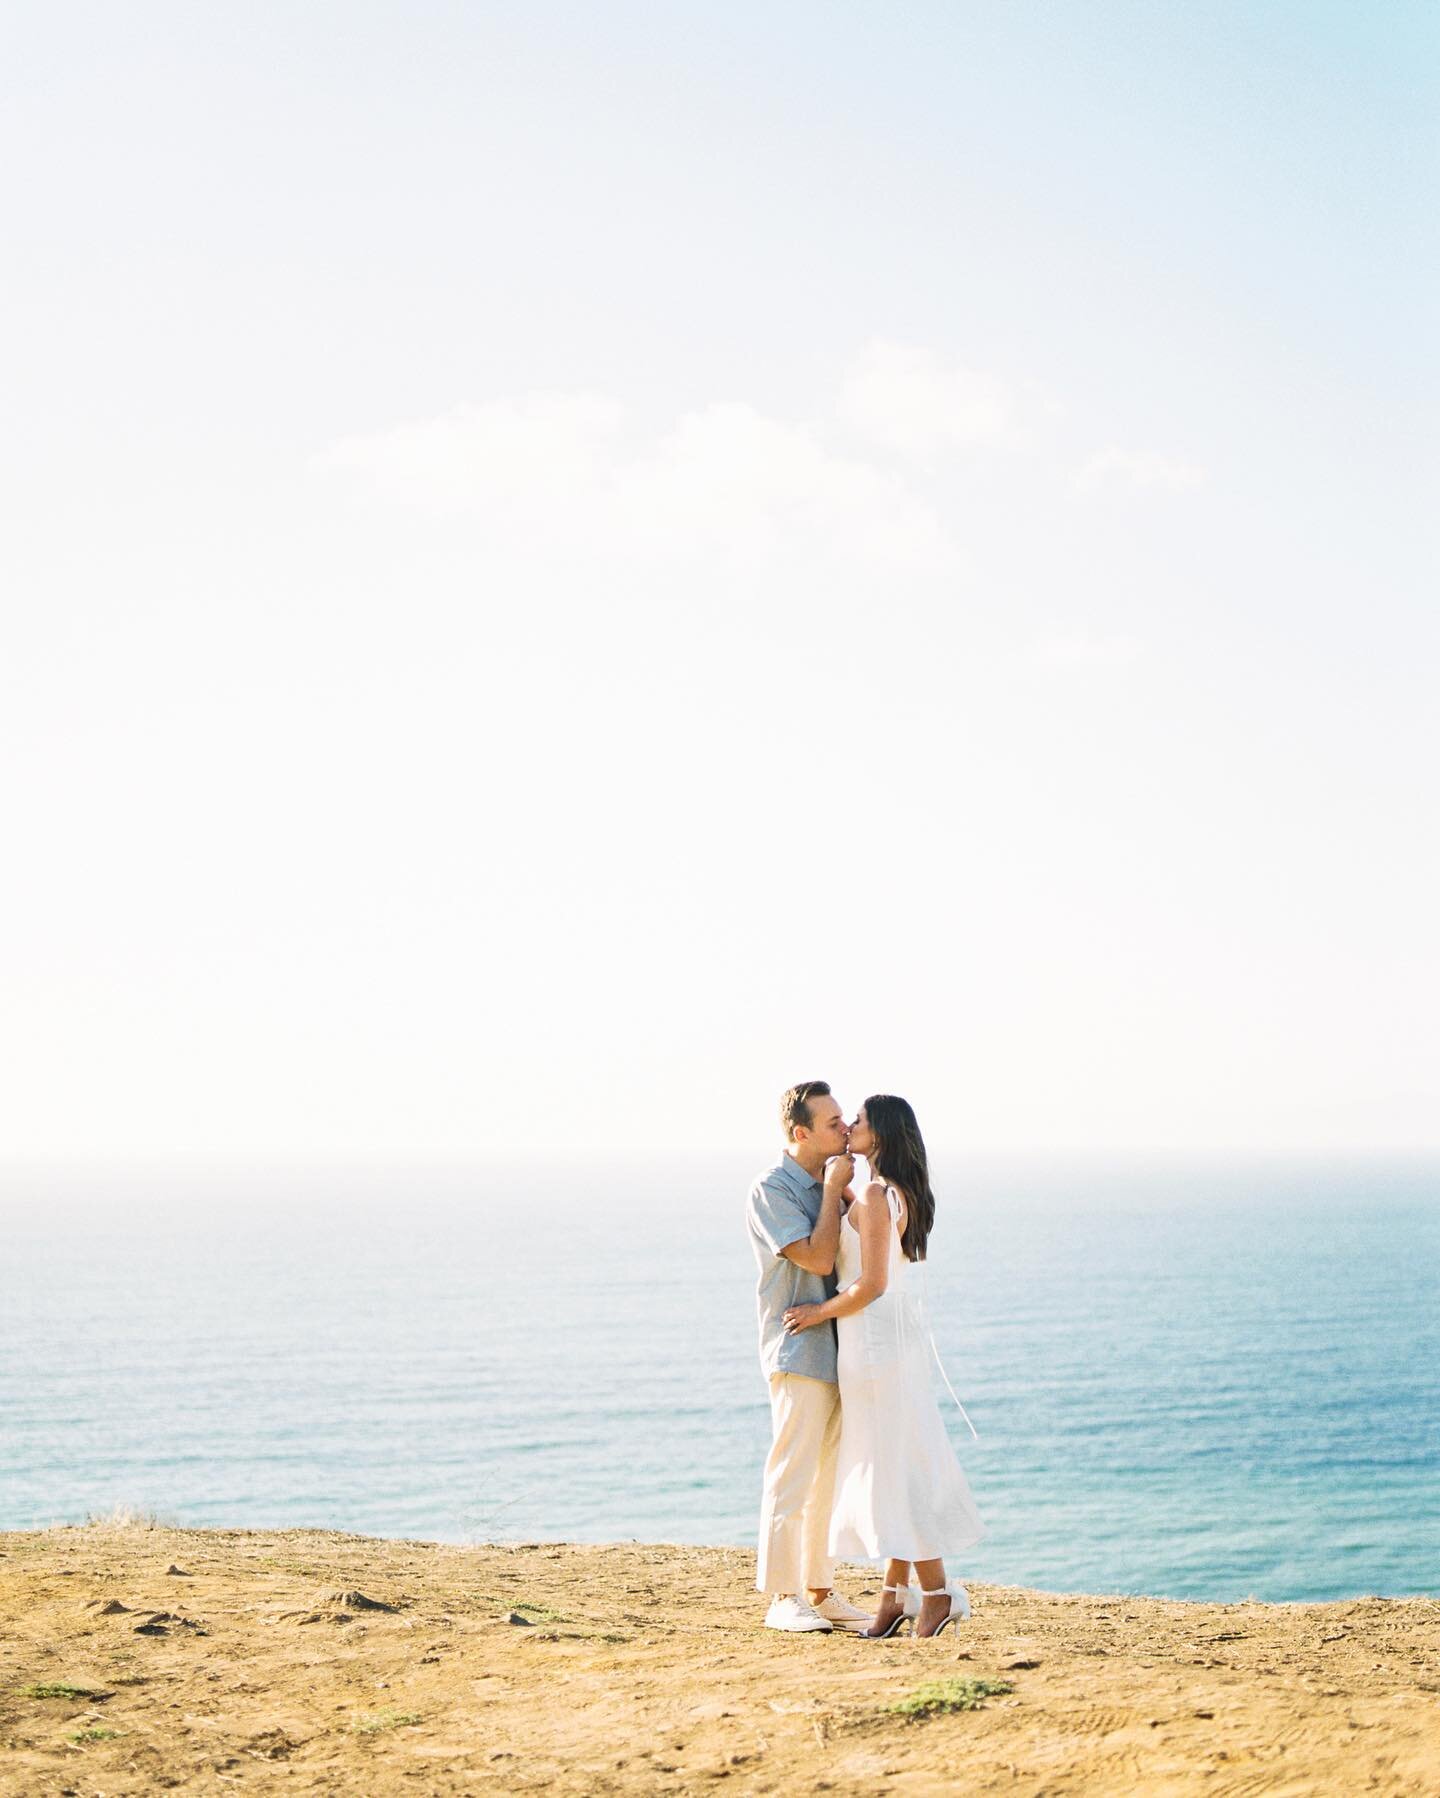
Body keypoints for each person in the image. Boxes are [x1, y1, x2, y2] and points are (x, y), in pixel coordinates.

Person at [783, 1094, 983, 1638]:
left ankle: (937, 1595)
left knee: (893, 1467)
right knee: (896, 1461)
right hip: (889, 1340)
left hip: (872, 1342)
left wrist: (816, 1310)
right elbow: (864, 1238)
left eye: (861, 1121)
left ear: (884, 1134)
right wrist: (837, 1185)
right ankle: (894, 1597)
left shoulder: (875, 1194)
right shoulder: (886, 1193)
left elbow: (870, 1283)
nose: (850, 1125)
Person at [744, 1081, 875, 1633]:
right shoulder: (771, 1188)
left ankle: (820, 1590)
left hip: (840, 1351)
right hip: (798, 1348)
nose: (844, 1129)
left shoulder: (833, 1185)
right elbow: (819, 1260)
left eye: (846, 1119)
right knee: (792, 1473)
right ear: (800, 1133)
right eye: (832, 1123)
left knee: (827, 1479)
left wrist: (842, 1192)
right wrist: (832, 1192)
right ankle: (781, 1597)